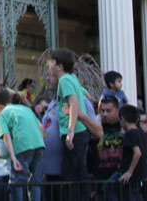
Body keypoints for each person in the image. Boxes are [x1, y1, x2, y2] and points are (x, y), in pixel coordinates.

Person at [0, 87, 45, 201]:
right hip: (39, 146)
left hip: (22, 147)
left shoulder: (2, 115)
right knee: (35, 183)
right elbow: (41, 128)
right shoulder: (25, 109)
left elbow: (6, 136)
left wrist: (14, 159)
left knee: (17, 182)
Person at [49, 48, 90, 192]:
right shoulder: (72, 77)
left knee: (70, 177)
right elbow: (86, 95)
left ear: (60, 66)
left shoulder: (65, 79)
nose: (49, 64)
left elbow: (73, 102)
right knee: (79, 174)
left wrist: (70, 131)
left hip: (75, 134)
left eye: (52, 62)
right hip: (81, 133)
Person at [107, 105, 146, 201]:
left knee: (108, 187)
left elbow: (137, 153)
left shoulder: (130, 134)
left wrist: (129, 171)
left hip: (128, 173)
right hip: (139, 173)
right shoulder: (142, 133)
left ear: (122, 119)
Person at [91, 96, 124, 182]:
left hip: (120, 179)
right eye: (102, 111)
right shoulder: (96, 126)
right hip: (100, 180)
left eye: (108, 111)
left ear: (118, 111)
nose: (105, 114)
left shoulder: (124, 127)